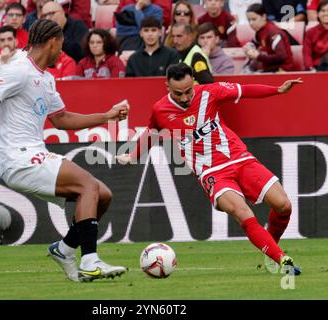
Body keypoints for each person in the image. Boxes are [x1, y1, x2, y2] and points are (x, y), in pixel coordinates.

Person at [0, 19, 129, 282]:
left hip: (33, 153)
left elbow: (62, 119)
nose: (62, 52)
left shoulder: (44, 78)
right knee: (88, 186)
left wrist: (107, 116)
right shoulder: (19, 69)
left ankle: (65, 248)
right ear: (53, 42)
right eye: (61, 46)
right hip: (18, 157)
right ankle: (90, 261)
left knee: (102, 195)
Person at [116, 62, 302, 275]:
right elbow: (150, 133)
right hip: (211, 172)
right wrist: (131, 157)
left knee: (283, 205)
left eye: (188, 91)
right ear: (166, 85)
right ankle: (282, 259)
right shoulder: (160, 110)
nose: (185, 98)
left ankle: (271, 248)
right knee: (242, 212)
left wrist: (277, 90)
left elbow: (245, 90)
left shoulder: (210, 92)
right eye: (178, 93)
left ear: (194, 82)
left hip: (239, 158)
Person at [243, 3, 295, 72]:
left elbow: (281, 56)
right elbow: (254, 42)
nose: (251, 23)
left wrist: (258, 56)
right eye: (249, 20)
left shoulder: (273, 32)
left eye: (254, 19)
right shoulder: (260, 31)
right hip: (270, 69)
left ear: (264, 17)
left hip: (283, 70)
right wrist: (249, 47)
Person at [303, 0, 328, 70]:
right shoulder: (310, 32)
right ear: (317, 14)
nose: (326, 13)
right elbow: (307, 54)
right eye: (323, 11)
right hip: (316, 69)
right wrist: (310, 68)